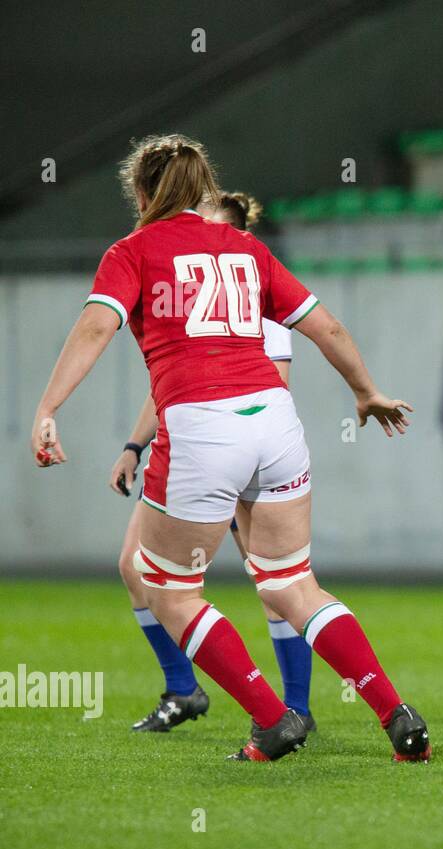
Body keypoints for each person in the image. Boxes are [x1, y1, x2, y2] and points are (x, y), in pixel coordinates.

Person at [30, 133, 428, 762]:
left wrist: (49, 408)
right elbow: (326, 326)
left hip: (201, 428)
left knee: (166, 587)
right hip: (275, 422)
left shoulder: (132, 251)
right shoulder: (246, 250)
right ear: (203, 188)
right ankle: (395, 712)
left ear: (142, 191)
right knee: (292, 584)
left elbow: (97, 324)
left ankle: (272, 718)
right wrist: (366, 391)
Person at [111, 191, 315, 734]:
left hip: (239, 454)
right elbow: (167, 383)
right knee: (135, 566)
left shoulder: (251, 289)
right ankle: (183, 689)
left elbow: (273, 386)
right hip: (189, 453)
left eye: (211, 226)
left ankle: (296, 707)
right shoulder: (188, 291)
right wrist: (135, 446)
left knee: (277, 585)